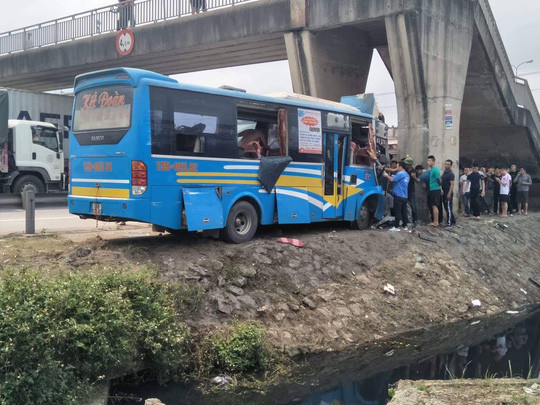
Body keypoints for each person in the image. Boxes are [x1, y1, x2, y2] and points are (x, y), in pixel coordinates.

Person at [383, 161, 410, 232]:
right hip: (404, 196)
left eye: (397, 166)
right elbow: (397, 180)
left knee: (397, 211)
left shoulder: (400, 173)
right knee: (404, 212)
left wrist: (386, 175)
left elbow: (391, 180)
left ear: (401, 167)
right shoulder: (406, 175)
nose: (396, 168)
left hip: (398, 195)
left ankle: (397, 227)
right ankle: (405, 226)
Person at [426, 155, 441, 227]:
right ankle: (434, 221)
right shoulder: (431, 170)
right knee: (432, 205)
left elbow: (439, 180)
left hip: (435, 190)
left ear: (433, 161)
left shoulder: (435, 170)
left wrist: (440, 188)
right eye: (427, 161)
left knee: (434, 206)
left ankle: (436, 222)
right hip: (432, 189)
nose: (428, 162)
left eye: (429, 161)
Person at [403, 157, 419, 227]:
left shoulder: (414, 171)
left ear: (409, 164)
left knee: (413, 206)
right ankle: (408, 220)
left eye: (406, 164)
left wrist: (414, 177)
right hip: (404, 191)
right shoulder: (404, 171)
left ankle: (415, 220)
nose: (405, 165)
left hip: (411, 191)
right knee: (406, 206)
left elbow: (418, 181)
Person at [442, 159, 456, 227]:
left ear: (450, 165)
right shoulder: (444, 173)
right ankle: (453, 220)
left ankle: (449, 222)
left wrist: (449, 193)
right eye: (445, 164)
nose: (446, 165)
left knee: (448, 208)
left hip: (448, 193)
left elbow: (452, 184)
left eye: (448, 164)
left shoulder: (451, 174)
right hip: (444, 193)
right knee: (446, 207)